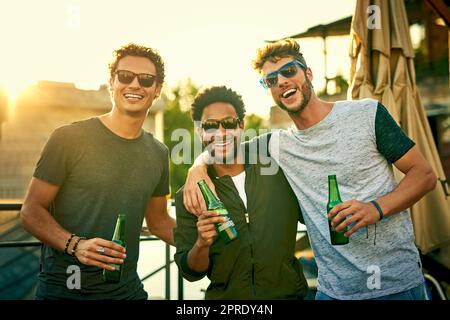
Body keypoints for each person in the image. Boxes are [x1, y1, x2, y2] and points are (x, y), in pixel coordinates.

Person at [183, 39, 437, 300]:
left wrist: (375, 208)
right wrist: (197, 168)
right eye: (271, 80)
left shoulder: (367, 113)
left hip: (396, 285)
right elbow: (224, 143)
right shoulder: (278, 145)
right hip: (333, 292)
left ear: (308, 73)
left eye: (289, 71)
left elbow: (424, 175)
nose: (281, 81)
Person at [19, 43, 175, 300]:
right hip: (66, 290)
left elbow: (159, 222)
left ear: (157, 90)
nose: (135, 85)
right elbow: (30, 211)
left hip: (126, 291)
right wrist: (75, 245)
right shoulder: (68, 138)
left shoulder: (158, 153)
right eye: (125, 76)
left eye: (146, 79)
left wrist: (206, 243)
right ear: (112, 83)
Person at [174, 85, 308, 299]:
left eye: (229, 123)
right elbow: (190, 271)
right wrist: (202, 243)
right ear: (199, 131)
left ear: (241, 126)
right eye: (210, 125)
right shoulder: (189, 195)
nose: (221, 133)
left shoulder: (277, 170)